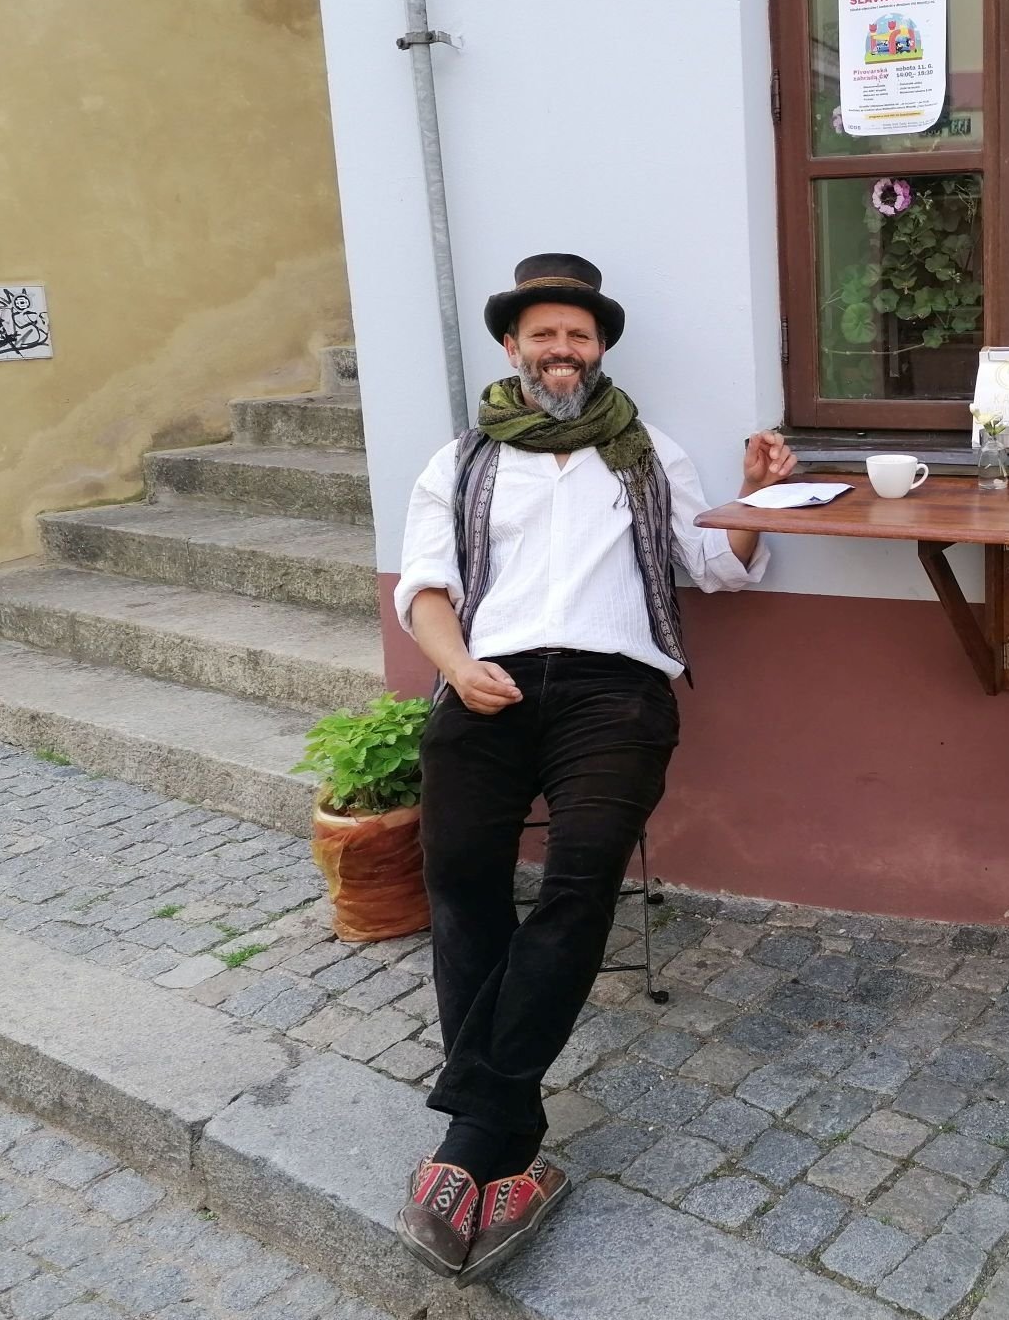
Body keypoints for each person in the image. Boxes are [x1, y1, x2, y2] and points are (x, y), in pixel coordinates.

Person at [392, 253, 796, 1284]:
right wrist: (455, 667)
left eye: (577, 335)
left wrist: (755, 501)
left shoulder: (648, 452)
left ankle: (471, 1134)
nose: (561, 351)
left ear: (599, 345)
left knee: (576, 884)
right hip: (485, 683)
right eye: (543, 334)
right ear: (511, 346)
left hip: (616, 693)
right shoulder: (462, 458)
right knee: (460, 880)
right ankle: (505, 1131)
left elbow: (712, 567)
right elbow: (426, 590)